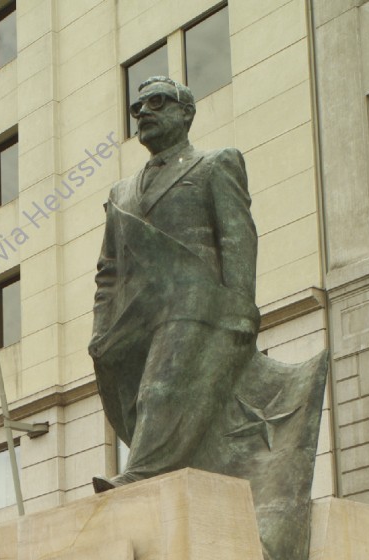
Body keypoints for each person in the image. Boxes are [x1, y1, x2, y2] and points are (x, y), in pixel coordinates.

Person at [88, 75, 258, 491]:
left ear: (186, 112)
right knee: (133, 399)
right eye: (137, 108)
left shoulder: (217, 163)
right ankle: (164, 463)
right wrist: (100, 325)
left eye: (157, 102)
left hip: (196, 303)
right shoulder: (121, 192)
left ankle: (141, 474)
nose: (144, 112)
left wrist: (240, 309)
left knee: (158, 392)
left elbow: (237, 237)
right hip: (134, 315)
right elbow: (109, 268)